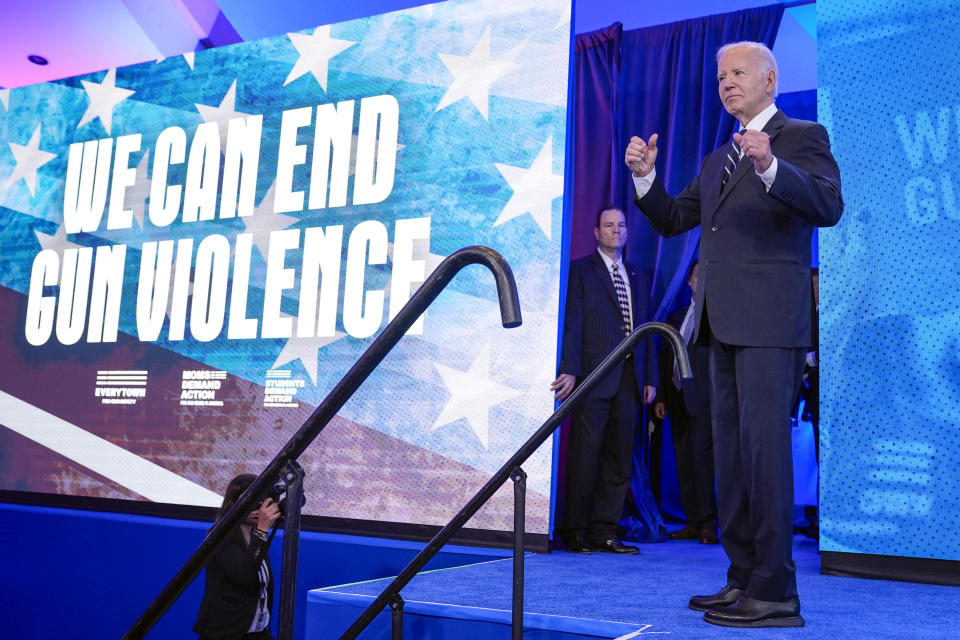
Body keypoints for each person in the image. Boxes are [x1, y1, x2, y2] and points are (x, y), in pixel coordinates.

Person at [625, 41, 842, 627]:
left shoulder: (802, 136)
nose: (726, 83)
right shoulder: (718, 156)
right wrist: (646, 181)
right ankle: (742, 575)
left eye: (738, 73)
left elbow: (827, 205)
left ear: (770, 79)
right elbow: (675, 220)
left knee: (765, 454)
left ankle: (776, 590)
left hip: (772, 324)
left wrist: (771, 166)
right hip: (718, 326)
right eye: (720, 75)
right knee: (734, 458)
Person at [551, 206, 658, 555]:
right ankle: (574, 529)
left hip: (630, 379)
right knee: (585, 455)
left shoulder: (638, 275)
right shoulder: (581, 270)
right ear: (596, 232)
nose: (616, 230)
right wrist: (570, 368)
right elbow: (574, 322)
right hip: (593, 376)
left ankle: (605, 531)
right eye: (609, 225)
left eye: (622, 225)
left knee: (619, 458)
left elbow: (647, 329)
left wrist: (650, 376)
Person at [654, 261, 718, 545]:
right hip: (677, 400)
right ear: (689, 282)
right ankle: (692, 520)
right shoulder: (676, 315)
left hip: (705, 401)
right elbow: (667, 358)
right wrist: (664, 397)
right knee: (683, 462)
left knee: (702, 461)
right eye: (696, 276)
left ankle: (707, 523)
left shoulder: (717, 318)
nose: (700, 281)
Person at [194, 474, 281, 640]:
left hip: (257, 631)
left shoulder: (255, 536)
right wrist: (262, 530)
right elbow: (243, 576)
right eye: (250, 501)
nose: (256, 507)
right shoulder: (219, 535)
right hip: (226, 633)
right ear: (233, 503)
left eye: (260, 501)